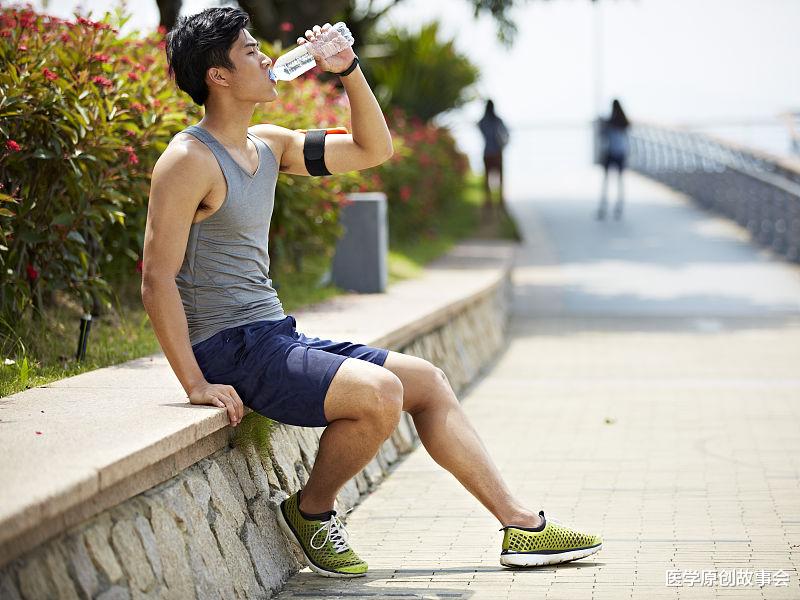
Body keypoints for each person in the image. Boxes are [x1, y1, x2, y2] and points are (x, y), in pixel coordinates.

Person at [142, 7, 602, 579]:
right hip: (229, 348)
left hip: (273, 337)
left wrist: (348, 69)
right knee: (381, 393)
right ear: (219, 75)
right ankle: (313, 511)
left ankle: (519, 526)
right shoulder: (188, 160)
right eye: (250, 51)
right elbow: (156, 277)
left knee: (426, 382)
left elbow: (372, 149)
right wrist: (196, 383)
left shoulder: (267, 146)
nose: (266, 58)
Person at [596, 98, 630, 220]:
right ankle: (619, 206)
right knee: (619, 181)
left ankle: (604, 206)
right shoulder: (623, 122)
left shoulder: (610, 122)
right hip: (620, 153)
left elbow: (602, 135)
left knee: (607, 181)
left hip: (611, 152)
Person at [478, 99, 510, 213]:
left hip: (487, 152)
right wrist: (503, 145)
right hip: (497, 152)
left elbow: (480, 130)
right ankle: (500, 201)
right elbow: (507, 134)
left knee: (487, 178)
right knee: (500, 177)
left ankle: (489, 202)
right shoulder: (498, 120)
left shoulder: (482, 121)